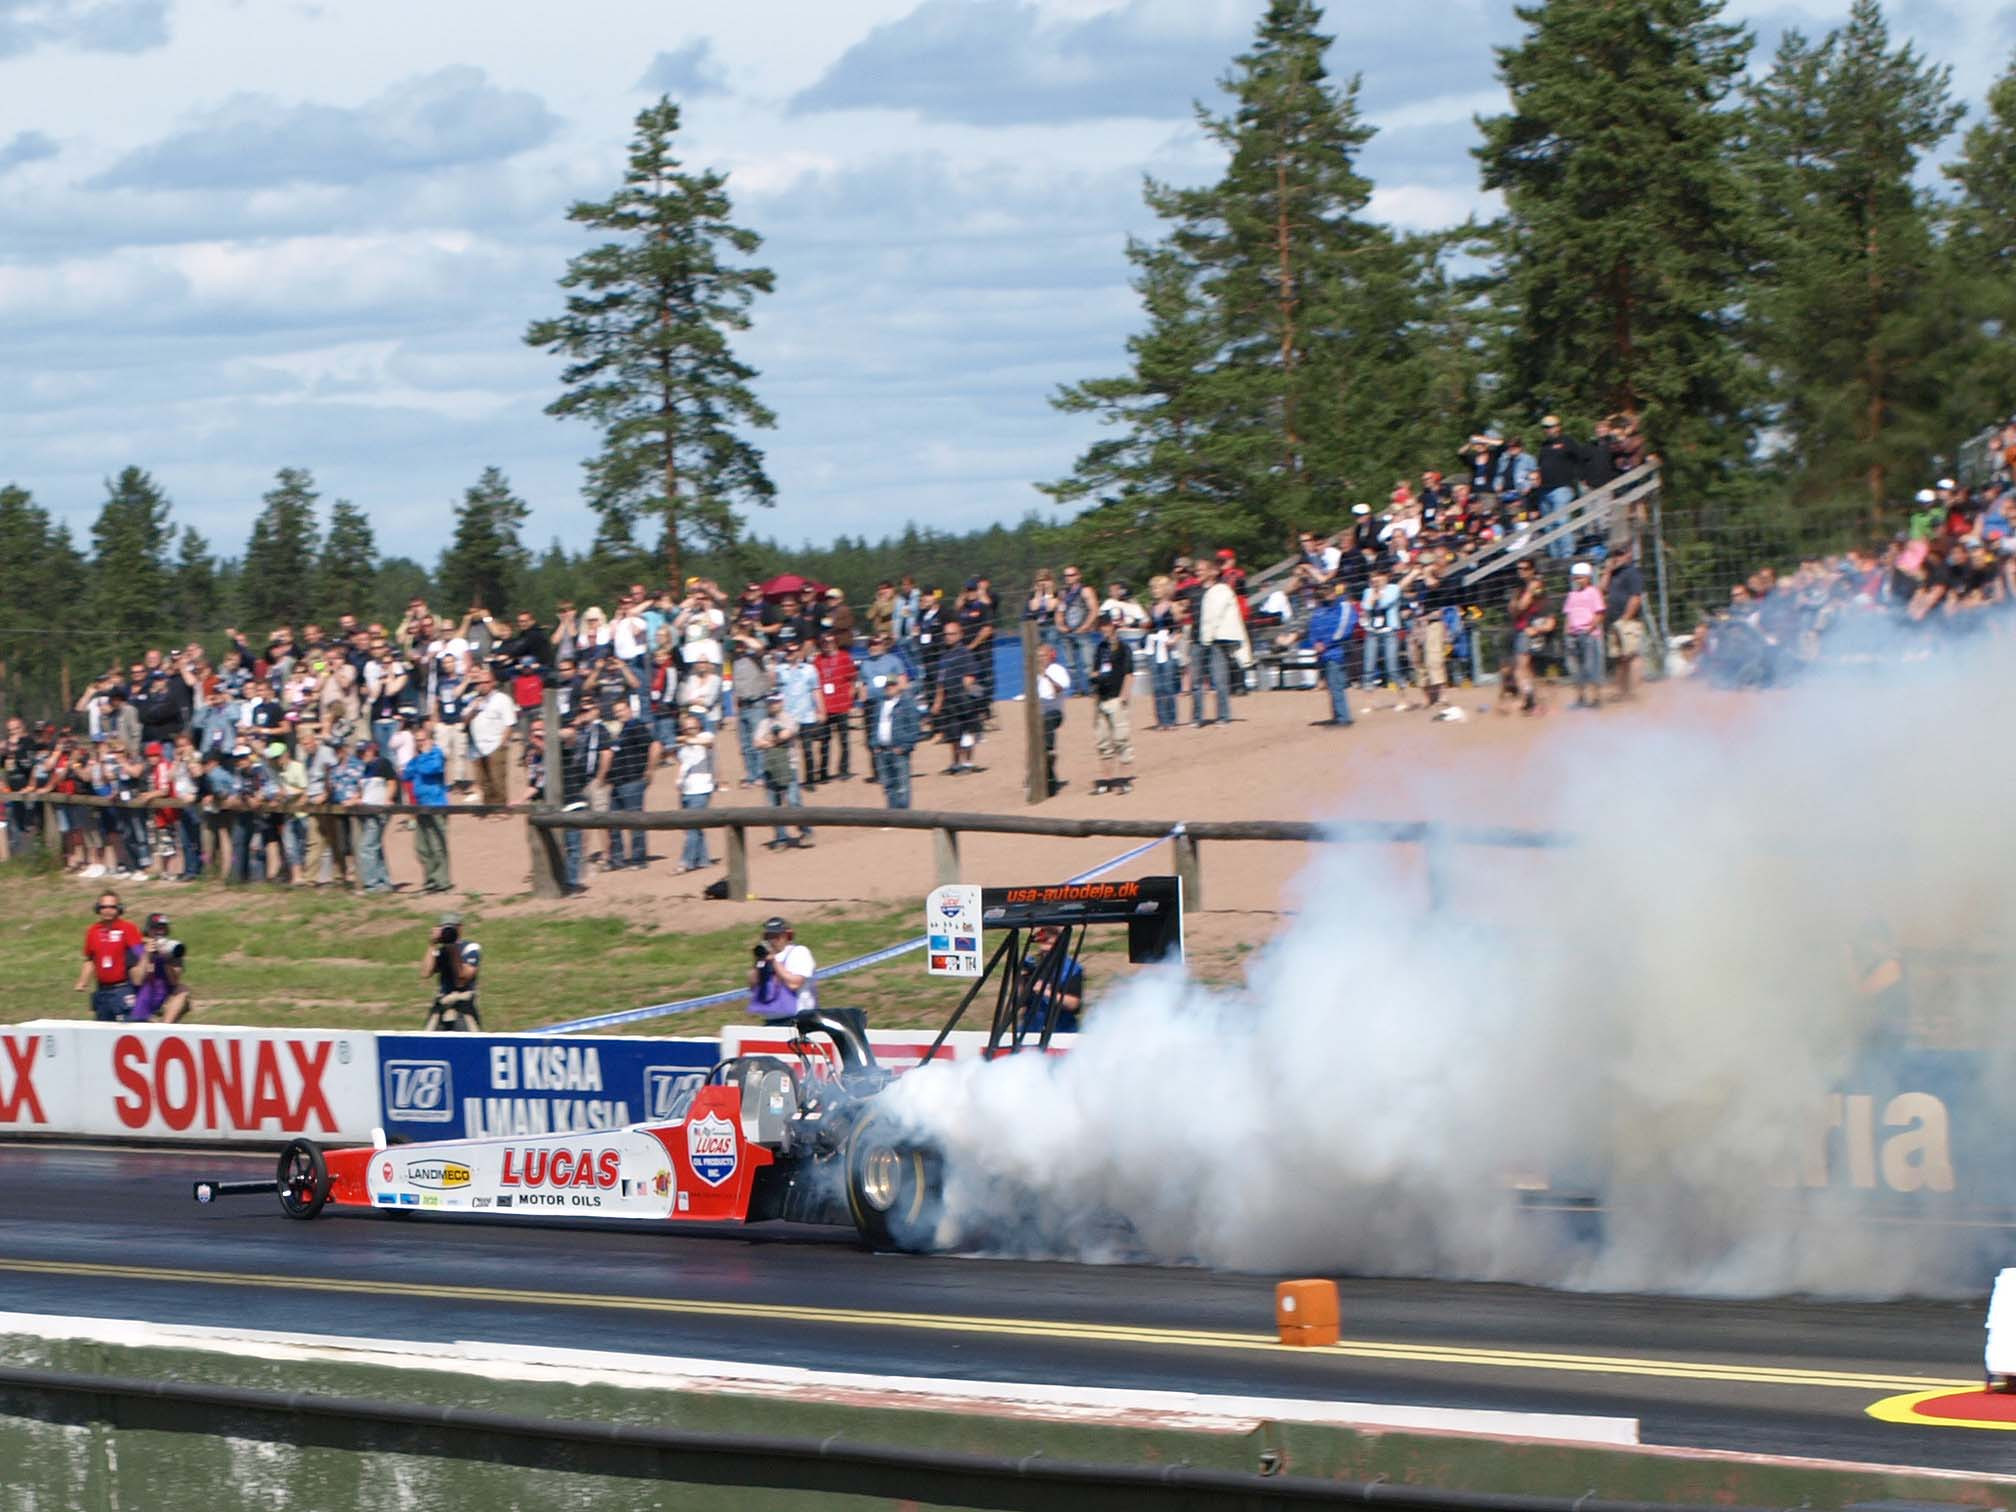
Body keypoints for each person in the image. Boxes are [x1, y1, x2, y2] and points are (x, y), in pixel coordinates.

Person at [603, 694, 660, 869]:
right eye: (616, 711)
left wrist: (650, 770)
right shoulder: (618, 730)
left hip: (633, 780)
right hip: (616, 783)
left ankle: (638, 859)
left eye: (622, 710)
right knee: (613, 822)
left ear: (629, 709)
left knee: (635, 821)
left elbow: (655, 745)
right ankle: (617, 859)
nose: (619, 714)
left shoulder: (636, 725)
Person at [1192, 558, 1247, 726]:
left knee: (1219, 679)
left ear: (1213, 572)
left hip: (1216, 641)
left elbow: (1218, 617)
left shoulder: (1221, 591)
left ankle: (1223, 716)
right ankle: (1197, 718)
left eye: (1202, 570)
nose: (1198, 573)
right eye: (1197, 570)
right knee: (1196, 681)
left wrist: (1210, 636)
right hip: (1196, 640)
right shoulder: (1193, 591)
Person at [754, 693, 813, 850]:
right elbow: (757, 742)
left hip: (789, 765)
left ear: (781, 702)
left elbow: (784, 734)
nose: (773, 705)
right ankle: (781, 837)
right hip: (770, 767)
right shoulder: (764, 722)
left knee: (793, 801)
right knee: (773, 805)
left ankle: (805, 829)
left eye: (776, 702)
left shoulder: (788, 718)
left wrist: (769, 740)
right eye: (770, 702)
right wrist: (773, 739)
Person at [76, 890, 144, 1021]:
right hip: (102, 990)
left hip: (123, 989)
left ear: (119, 909)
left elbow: (140, 954)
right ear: (98, 909)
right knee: (102, 1029)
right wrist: (83, 981)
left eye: (112, 907)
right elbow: (90, 960)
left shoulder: (127, 928)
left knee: (129, 1026)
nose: (107, 910)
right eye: (104, 907)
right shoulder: (92, 931)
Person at [931, 617, 985, 773]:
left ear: (960, 634)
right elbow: (941, 681)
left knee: (967, 732)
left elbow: (971, 675)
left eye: (952, 634)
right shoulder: (944, 656)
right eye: (946, 634)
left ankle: (967, 763)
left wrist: (967, 690)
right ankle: (955, 763)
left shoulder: (965, 653)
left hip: (965, 700)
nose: (949, 637)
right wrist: (938, 701)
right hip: (950, 701)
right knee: (953, 734)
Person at [1089, 612, 1135, 796]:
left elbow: (1129, 673)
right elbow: (1094, 671)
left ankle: (1124, 781)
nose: (1104, 629)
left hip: (1116, 698)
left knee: (1121, 739)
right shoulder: (1099, 648)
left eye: (1106, 625)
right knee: (1103, 741)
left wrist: (1124, 696)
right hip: (1102, 699)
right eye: (1101, 626)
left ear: (1113, 626)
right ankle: (1106, 781)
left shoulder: (1124, 648)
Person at [1303, 577, 1357, 727]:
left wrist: (1326, 644)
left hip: (1337, 652)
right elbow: (1313, 628)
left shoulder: (1344, 607)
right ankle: (1338, 715)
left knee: (1336, 685)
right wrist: (1315, 643)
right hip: (1324, 653)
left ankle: (1343, 718)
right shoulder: (1319, 610)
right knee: (1331, 686)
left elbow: (1344, 629)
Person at [407, 723, 453, 891]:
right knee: (421, 846)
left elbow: (431, 769)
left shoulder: (436, 754)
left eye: (422, 740)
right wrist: (417, 757)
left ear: (430, 739)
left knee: (437, 844)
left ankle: (442, 881)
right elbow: (407, 773)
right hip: (421, 807)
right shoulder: (418, 757)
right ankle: (430, 879)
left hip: (437, 805)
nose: (420, 744)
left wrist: (424, 755)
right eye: (417, 741)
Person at [421, 912, 482, 1031]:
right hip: (442, 1004)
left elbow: (462, 980)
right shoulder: (441, 951)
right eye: (445, 928)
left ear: (460, 928)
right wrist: (432, 944)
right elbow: (425, 973)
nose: (448, 931)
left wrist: (453, 947)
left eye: (452, 928)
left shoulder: (470, 947)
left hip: (463, 1006)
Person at [1018, 925, 1084, 1035]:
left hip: (1061, 1032)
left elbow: (1074, 1003)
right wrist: (1019, 979)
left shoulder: (1072, 969)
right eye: (1043, 943)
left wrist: (1046, 992)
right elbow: (1019, 1001)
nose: (1045, 948)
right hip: (1030, 1031)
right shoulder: (1032, 966)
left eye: (1050, 944)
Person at [746, 915, 816, 1019]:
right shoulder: (765, 958)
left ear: (787, 936)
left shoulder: (799, 952)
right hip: (772, 1018)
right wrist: (758, 961)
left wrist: (774, 962)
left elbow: (794, 984)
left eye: (776, 936)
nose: (772, 940)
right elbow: (753, 986)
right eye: (768, 936)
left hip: (798, 1018)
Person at [1604, 540, 1647, 701]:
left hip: (1629, 620)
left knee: (1632, 655)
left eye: (1620, 553)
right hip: (1615, 620)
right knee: (1620, 658)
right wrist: (1608, 571)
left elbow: (1636, 597)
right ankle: (1623, 692)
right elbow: (1602, 589)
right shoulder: (1614, 573)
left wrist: (1625, 619)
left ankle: (1635, 692)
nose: (1617, 557)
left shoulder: (1633, 572)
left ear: (1629, 554)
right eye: (1615, 554)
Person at [672, 713, 716, 874]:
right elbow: (684, 764)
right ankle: (703, 860)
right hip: (686, 790)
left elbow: (708, 742)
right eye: (686, 727)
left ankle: (686, 862)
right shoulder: (683, 746)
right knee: (693, 827)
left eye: (692, 727)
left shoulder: (706, 736)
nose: (689, 730)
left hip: (702, 789)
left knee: (692, 826)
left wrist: (687, 739)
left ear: (699, 726)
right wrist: (678, 780)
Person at [467, 667, 516, 807]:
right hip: (478, 747)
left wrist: (502, 743)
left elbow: (509, 723)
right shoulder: (474, 700)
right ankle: (489, 807)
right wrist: (473, 709)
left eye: (485, 682)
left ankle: (501, 808)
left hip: (496, 744)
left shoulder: (502, 699)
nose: (482, 685)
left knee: (497, 778)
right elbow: (465, 720)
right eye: (479, 682)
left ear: (493, 683)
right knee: (483, 779)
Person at [132, 911, 192, 1024]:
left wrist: (166, 959)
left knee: (182, 989)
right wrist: (147, 954)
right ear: (148, 929)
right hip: (139, 1000)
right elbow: (137, 980)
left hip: (162, 999)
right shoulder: (137, 948)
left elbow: (174, 981)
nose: (160, 931)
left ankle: (165, 1027)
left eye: (163, 927)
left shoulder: (173, 949)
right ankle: (143, 1017)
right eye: (156, 928)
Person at [1563, 561, 1608, 708]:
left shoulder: (1593, 592)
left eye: (1580, 577)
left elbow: (1599, 613)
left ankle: (1596, 698)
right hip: (1574, 634)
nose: (1578, 580)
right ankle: (1581, 698)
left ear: (1588, 577)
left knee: (1592, 667)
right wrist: (1567, 631)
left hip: (1588, 634)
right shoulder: (1572, 595)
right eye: (1575, 578)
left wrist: (1590, 628)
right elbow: (1569, 615)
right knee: (1577, 669)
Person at [1034, 643, 1070, 796]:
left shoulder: (1057, 670)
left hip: (1054, 712)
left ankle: (1049, 749)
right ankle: (1050, 781)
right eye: (1038, 657)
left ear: (1051, 655)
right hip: (1038, 716)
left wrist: (1046, 676)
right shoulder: (1033, 674)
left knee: (1047, 721)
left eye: (1043, 656)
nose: (1040, 659)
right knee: (1038, 749)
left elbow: (1059, 689)